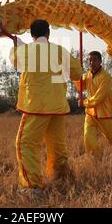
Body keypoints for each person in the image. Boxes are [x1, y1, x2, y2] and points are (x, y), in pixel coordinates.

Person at [10, 19, 82, 195]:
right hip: (58, 106)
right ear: (48, 33)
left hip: (37, 106)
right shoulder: (60, 51)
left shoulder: (26, 51)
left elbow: (14, 60)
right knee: (57, 146)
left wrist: (16, 45)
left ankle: (32, 186)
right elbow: (78, 73)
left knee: (25, 144)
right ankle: (61, 178)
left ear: (31, 34)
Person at [75, 51, 112, 159]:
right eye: (89, 60)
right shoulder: (88, 75)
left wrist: (84, 103)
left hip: (105, 114)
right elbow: (81, 87)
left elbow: (99, 98)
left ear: (100, 61)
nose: (91, 62)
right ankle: (96, 159)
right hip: (90, 114)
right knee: (88, 138)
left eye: (94, 60)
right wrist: (77, 75)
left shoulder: (106, 77)